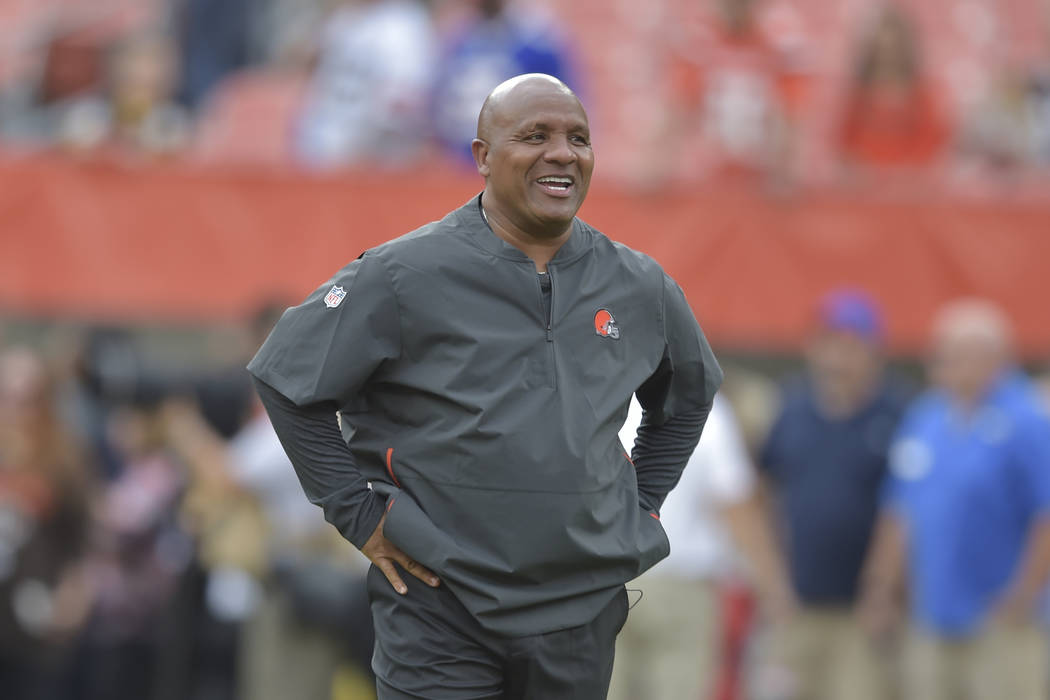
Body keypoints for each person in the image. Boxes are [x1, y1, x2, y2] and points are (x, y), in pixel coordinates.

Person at [249, 73, 722, 699]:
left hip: (578, 607)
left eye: (578, 138)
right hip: (440, 604)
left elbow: (688, 397)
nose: (562, 152)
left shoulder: (639, 283)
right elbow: (286, 379)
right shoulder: (401, 272)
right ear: (482, 157)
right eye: (535, 136)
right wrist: (356, 514)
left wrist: (641, 505)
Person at [860, 299, 1050, 700]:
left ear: (996, 357)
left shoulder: (1028, 420)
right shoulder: (925, 417)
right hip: (931, 612)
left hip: (1000, 619)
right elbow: (900, 510)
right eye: (942, 352)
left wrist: (1023, 595)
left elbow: (1044, 514)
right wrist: (882, 587)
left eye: (958, 354)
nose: (944, 363)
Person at [755, 290, 908, 700]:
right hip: (797, 604)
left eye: (848, 343)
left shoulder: (898, 414)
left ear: (874, 351)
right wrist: (772, 579)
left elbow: (905, 511)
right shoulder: (793, 409)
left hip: (865, 610)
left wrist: (884, 590)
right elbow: (764, 493)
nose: (835, 356)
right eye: (826, 341)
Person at [608, 394, 793, 700]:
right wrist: (773, 586)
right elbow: (735, 505)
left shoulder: (608, 394)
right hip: (681, 587)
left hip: (607, 577)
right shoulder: (705, 407)